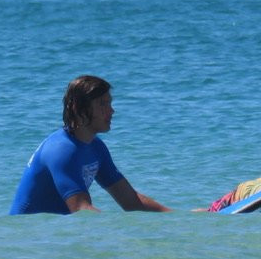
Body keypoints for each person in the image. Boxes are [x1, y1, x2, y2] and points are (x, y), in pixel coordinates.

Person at [9, 75, 170, 214]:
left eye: (110, 103)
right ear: (78, 108)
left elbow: (132, 202)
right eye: (102, 104)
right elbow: (81, 210)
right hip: (28, 240)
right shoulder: (61, 150)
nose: (111, 111)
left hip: (53, 236)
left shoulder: (96, 147)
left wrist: (179, 217)